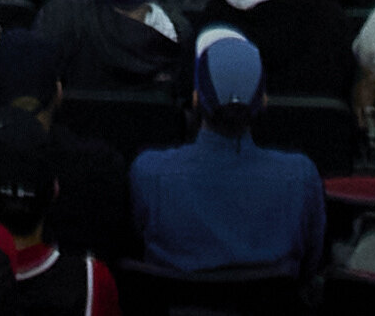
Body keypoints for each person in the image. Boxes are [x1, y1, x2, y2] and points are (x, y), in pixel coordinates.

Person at [130, 32, 317, 275]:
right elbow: (311, 264)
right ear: (264, 101)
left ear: (196, 99)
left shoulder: (149, 173)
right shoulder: (300, 176)